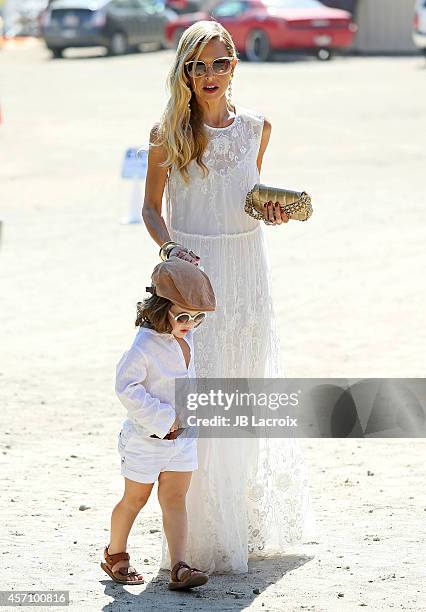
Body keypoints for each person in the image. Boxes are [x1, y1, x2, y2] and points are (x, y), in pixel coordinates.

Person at [142, 21, 317, 574]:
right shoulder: (166, 132)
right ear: (184, 72)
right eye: (197, 65)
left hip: (246, 269)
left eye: (219, 63)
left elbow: (247, 198)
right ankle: (196, 534)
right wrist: (170, 248)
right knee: (199, 395)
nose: (209, 75)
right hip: (195, 271)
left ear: (234, 65)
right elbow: (151, 207)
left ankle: (236, 519)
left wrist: (270, 211)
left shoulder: (258, 129)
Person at [101, 257, 216, 589]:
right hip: (145, 440)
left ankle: (179, 565)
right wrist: (166, 418)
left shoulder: (186, 336)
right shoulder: (143, 347)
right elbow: (126, 388)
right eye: (182, 316)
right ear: (159, 306)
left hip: (182, 439)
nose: (190, 324)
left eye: (198, 318)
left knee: (176, 498)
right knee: (135, 499)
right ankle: (115, 553)